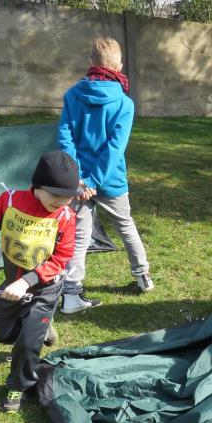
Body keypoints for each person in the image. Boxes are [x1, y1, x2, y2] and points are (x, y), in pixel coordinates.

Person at [0, 151, 81, 412]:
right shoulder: (9, 202)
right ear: (37, 186)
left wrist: (28, 281)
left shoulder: (65, 217)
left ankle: (19, 384)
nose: (62, 202)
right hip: (11, 285)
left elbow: (61, 259)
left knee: (28, 342)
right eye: (55, 195)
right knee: (1, 334)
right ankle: (41, 330)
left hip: (45, 288)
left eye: (68, 197)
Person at [58, 37, 153, 314]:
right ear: (119, 66)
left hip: (81, 183)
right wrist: (88, 181)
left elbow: (66, 139)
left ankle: (72, 294)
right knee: (125, 226)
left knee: (79, 236)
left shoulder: (73, 95)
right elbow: (115, 148)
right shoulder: (125, 103)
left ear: (91, 64)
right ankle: (142, 276)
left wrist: (80, 179)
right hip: (105, 181)